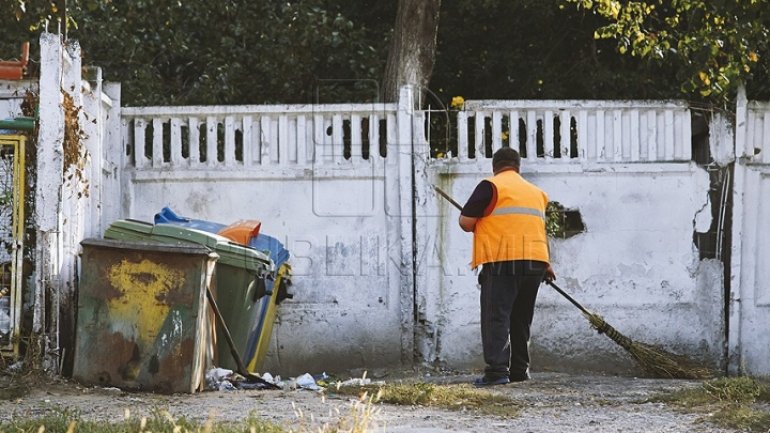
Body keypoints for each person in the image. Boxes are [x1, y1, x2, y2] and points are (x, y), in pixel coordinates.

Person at [458, 146, 555, 387]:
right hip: (535, 261)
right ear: (518, 166)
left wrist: (480, 220)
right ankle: (519, 371)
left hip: (502, 260)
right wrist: (547, 264)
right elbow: (538, 229)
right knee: (521, 319)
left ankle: (497, 373)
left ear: (495, 166)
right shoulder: (538, 193)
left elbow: (466, 223)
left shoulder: (490, 186)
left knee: (496, 317)